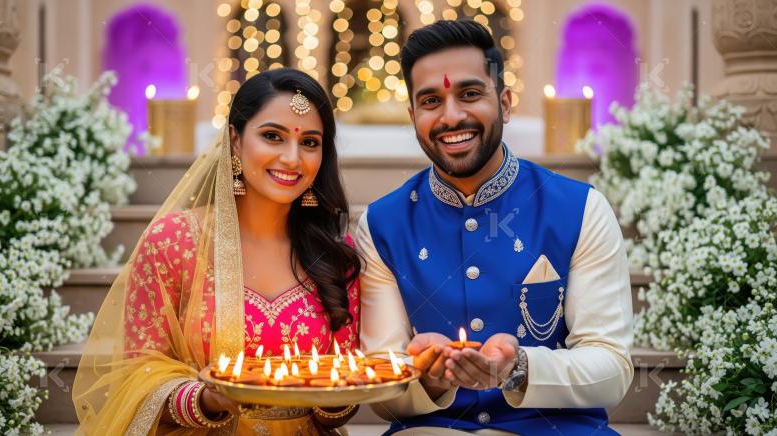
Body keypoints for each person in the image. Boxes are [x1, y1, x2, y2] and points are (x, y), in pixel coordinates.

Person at [356, 20, 634, 435]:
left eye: (470, 94)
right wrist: (427, 379)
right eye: (431, 101)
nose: (452, 116)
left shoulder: (580, 209)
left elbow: (611, 367)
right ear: (413, 116)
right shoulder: (382, 225)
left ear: (504, 103)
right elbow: (381, 386)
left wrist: (518, 367)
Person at [73, 68, 361, 435]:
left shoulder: (334, 253)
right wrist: (208, 400)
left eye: (309, 142)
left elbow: (341, 398)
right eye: (272, 136)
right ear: (235, 141)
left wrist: (336, 397)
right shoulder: (174, 242)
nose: (292, 158)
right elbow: (137, 373)